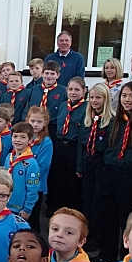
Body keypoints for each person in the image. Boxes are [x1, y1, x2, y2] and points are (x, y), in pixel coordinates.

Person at [93, 82, 132, 262]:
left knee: (126, 218)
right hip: (110, 172)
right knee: (106, 215)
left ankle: (126, 256)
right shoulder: (116, 120)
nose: (127, 100)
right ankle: (106, 254)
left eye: (131, 96)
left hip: (131, 175)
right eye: (124, 96)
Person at [76, 83, 114, 253]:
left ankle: (97, 237)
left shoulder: (110, 121)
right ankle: (87, 234)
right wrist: (80, 165)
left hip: (101, 164)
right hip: (88, 162)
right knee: (87, 200)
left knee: (99, 203)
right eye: (92, 97)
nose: (94, 101)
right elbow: (80, 144)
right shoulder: (88, 118)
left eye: (98, 98)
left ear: (106, 100)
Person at [52, 76, 87, 211]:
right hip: (60, 146)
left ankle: (72, 210)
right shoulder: (63, 105)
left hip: (74, 147)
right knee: (58, 179)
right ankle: (58, 208)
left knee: (73, 183)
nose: (73, 92)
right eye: (71, 89)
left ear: (84, 91)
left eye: (77, 90)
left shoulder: (86, 108)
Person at [3, 122, 40, 219]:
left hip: (19, 209)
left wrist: (27, 210)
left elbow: (33, 189)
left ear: (30, 140)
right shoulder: (9, 157)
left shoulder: (31, 164)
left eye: (23, 137)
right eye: (15, 136)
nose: (18, 140)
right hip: (5, 204)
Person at [26, 107, 53, 232]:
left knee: (33, 217)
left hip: (36, 185)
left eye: (39, 122)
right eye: (32, 121)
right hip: (20, 184)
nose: (35, 125)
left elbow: (43, 166)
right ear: (27, 121)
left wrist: (26, 172)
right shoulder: (24, 138)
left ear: (45, 123)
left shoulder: (46, 142)